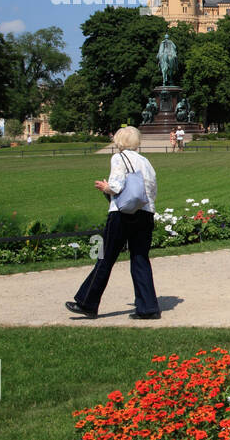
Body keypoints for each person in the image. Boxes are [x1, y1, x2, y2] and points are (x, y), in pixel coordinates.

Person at [67, 126, 161, 320]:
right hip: (145, 214)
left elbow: (117, 187)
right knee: (140, 259)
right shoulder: (146, 162)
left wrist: (105, 187)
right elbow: (151, 190)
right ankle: (148, 307)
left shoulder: (119, 158)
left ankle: (87, 302)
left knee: (105, 257)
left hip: (122, 214)